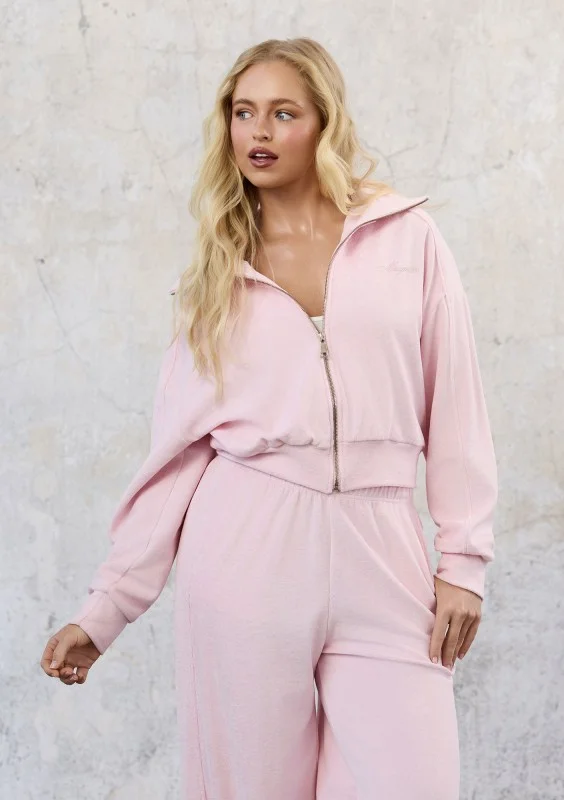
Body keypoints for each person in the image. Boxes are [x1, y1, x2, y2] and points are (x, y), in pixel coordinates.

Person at [40, 37, 497, 799]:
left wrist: (464, 566)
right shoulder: (217, 270)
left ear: (324, 124)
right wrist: (106, 609)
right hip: (248, 547)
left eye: (284, 113)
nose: (258, 131)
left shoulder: (405, 237)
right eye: (243, 112)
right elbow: (178, 456)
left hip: (384, 548)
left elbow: (457, 406)